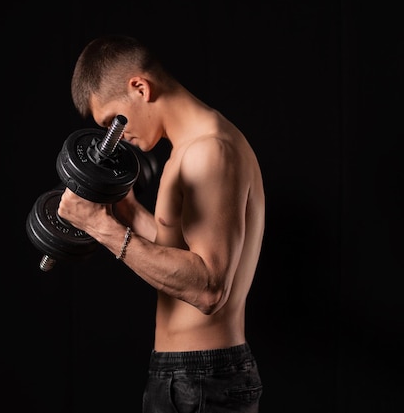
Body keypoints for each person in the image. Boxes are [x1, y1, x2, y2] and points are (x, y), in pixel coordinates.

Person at [58, 34, 265, 413]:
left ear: (139, 87)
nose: (115, 138)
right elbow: (181, 252)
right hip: (184, 377)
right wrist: (130, 212)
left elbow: (208, 288)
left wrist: (102, 227)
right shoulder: (187, 150)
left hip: (203, 380)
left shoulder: (209, 151)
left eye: (110, 123)